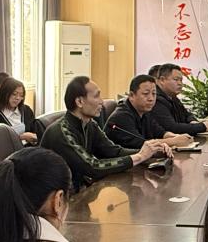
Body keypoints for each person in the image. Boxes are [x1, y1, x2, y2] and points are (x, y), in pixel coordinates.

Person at [40, 76, 170, 190]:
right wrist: (140, 156)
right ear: (79, 101)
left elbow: (114, 152)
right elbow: (92, 167)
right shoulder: (62, 131)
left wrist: (153, 151)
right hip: (55, 198)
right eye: (96, 96)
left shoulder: (90, 124)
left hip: (79, 191)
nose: (101, 102)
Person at [106, 74, 194, 149]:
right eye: (145, 94)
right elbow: (140, 144)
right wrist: (173, 141)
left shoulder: (145, 111)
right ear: (131, 95)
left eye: (154, 94)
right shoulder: (122, 116)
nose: (151, 98)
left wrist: (176, 136)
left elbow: (160, 132)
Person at [152, 64, 208, 136]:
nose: (180, 83)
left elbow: (187, 115)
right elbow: (171, 127)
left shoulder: (173, 97)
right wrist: (203, 126)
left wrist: (193, 121)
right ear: (162, 80)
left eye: (181, 80)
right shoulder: (156, 99)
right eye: (176, 79)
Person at [0, 77, 39, 145]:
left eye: (21, 95)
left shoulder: (26, 110)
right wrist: (20, 137)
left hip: (30, 148)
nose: (18, 98)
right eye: (14, 94)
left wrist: (34, 138)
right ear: (4, 93)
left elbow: (36, 132)